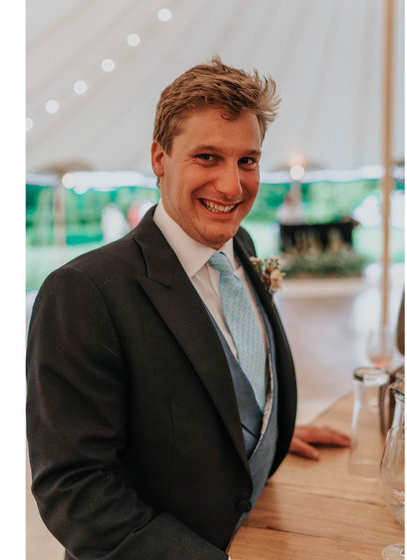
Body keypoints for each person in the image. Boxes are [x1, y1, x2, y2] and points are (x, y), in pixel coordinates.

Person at [27, 56, 349, 560]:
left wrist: (257, 437)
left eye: (247, 160)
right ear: (160, 158)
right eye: (207, 158)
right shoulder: (83, 291)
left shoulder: (241, 246)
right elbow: (75, 489)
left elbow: (206, 399)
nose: (232, 186)